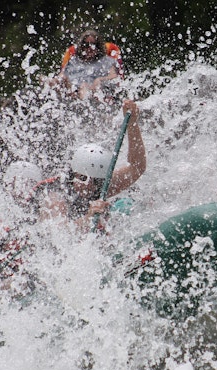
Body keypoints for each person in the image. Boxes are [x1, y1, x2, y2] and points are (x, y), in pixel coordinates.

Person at [35, 99, 146, 231]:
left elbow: (137, 167)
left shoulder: (98, 184)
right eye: (83, 178)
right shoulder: (56, 194)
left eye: (96, 181)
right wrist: (88, 217)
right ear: (74, 174)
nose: (88, 185)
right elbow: (59, 234)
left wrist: (132, 124)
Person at [54, 29, 121, 100]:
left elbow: (114, 76)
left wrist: (100, 80)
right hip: (71, 90)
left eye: (93, 45)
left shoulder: (107, 61)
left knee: (84, 86)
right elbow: (62, 75)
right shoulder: (73, 60)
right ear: (81, 47)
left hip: (93, 91)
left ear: (98, 46)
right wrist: (56, 80)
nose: (90, 48)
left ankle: (82, 103)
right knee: (53, 81)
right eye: (86, 45)